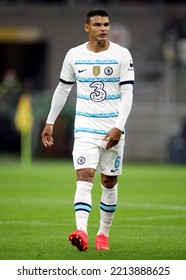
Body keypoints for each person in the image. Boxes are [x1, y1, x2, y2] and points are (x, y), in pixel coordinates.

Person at [41, 8, 134, 251]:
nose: (103, 28)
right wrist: (50, 121)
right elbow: (63, 89)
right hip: (84, 130)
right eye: (98, 25)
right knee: (84, 176)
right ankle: (81, 231)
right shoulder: (74, 55)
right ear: (86, 28)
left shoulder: (122, 54)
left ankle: (103, 234)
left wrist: (119, 127)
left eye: (106, 24)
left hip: (113, 131)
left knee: (109, 181)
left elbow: (127, 93)